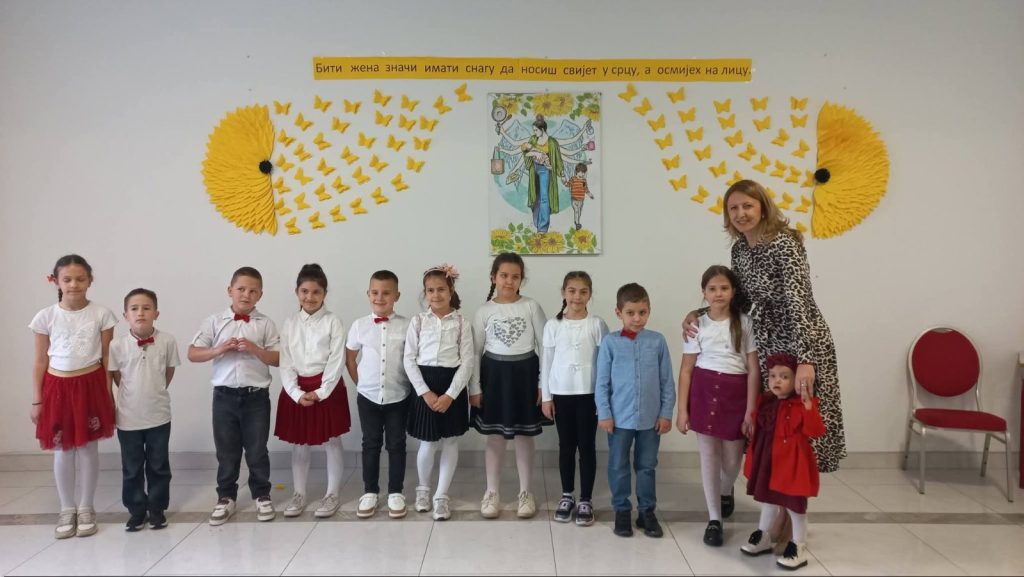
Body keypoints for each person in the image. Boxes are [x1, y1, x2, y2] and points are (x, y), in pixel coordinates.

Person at [683, 179, 844, 473]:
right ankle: (771, 491)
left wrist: (806, 359)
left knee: (797, 428)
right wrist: (700, 313)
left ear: (763, 207)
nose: (740, 213)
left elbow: (799, 300)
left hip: (799, 338)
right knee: (769, 425)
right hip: (765, 343)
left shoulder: (785, 242)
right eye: (733, 208)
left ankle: (792, 494)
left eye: (747, 205)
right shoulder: (739, 249)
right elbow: (740, 300)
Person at [30, 254, 117, 539]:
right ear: (56, 281)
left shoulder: (102, 314)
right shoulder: (45, 317)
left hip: (90, 385)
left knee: (89, 448)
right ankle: (67, 508)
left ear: (90, 281)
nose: (74, 285)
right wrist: (37, 400)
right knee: (63, 449)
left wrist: (108, 394)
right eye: (67, 279)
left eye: (80, 279)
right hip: (57, 388)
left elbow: (107, 358)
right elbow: (40, 361)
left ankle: (86, 507)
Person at [188, 266, 280, 526]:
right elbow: (193, 353)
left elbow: (278, 358)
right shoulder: (214, 321)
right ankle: (226, 496)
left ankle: (262, 494)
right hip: (224, 397)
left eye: (253, 291)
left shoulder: (265, 323)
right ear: (230, 290)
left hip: (256, 397)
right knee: (226, 450)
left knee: (257, 449)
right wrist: (218, 350)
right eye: (241, 289)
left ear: (260, 295)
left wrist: (254, 348)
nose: (246, 295)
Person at [676, 266, 759, 546]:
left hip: (735, 394)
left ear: (733, 291)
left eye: (724, 288)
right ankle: (714, 519)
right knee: (709, 456)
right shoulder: (696, 325)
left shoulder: (744, 323)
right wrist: (682, 410)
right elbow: (686, 370)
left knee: (733, 459)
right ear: (704, 292)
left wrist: (750, 411)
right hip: (704, 391)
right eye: (712, 289)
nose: (718, 294)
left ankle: (725, 490)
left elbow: (753, 370)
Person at [471, 252, 549, 519]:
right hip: (494, 377)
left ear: (521, 280)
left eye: (515, 276)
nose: (509, 281)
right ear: (493, 277)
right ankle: (492, 491)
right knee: (495, 436)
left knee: (524, 436)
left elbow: (545, 346)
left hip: (525, 376)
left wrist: (543, 384)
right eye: (504, 275)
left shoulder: (531, 306)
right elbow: (475, 351)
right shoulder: (484, 311)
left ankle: (526, 492)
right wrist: (475, 388)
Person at [595, 283, 675, 538]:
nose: (637, 318)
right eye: (631, 313)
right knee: (618, 465)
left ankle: (646, 512)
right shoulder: (610, 343)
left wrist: (666, 413)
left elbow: (667, 381)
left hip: (650, 419)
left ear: (649, 311)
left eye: (642, 312)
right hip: (619, 419)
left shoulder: (657, 342)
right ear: (618, 313)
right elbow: (602, 382)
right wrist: (604, 413)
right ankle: (621, 510)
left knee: (647, 465)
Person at [274, 264, 349, 519]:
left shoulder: (333, 321)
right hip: (297, 388)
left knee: (332, 440)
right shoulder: (289, 323)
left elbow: (337, 360)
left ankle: (332, 493)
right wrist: (296, 393)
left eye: (316, 292)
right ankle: (299, 493)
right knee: (300, 442)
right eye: (304, 291)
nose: (310, 297)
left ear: (324, 293)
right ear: (296, 292)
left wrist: (322, 391)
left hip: (327, 387)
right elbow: (285, 362)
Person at [741, 353, 826, 571]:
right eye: (772, 376)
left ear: (796, 380)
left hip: (792, 466)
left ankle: (798, 545)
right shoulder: (766, 401)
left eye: (784, 377)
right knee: (768, 500)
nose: (776, 381)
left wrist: (808, 406)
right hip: (769, 462)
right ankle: (764, 535)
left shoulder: (800, 405)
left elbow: (815, 430)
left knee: (795, 507)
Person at [404, 264, 474, 521]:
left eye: (441, 289)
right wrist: (425, 392)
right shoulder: (418, 321)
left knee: (451, 441)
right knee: (428, 442)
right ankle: (423, 489)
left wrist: (450, 395)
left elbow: (468, 362)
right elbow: (409, 359)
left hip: (452, 386)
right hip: (425, 385)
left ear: (451, 290)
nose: (436, 295)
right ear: (425, 293)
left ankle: (441, 496)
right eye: (430, 290)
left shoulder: (462, 322)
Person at [109, 288, 180, 532]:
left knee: (159, 465)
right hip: (128, 418)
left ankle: (157, 508)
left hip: (159, 415)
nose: (140, 313)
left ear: (156, 313)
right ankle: (137, 510)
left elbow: (168, 372)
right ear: (125, 315)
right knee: (132, 468)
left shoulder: (167, 341)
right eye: (134, 309)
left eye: (147, 308)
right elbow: (117, 377)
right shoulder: (117, 345)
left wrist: (154, 391)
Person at [540, 271, 608, 526]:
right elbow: (546, 362)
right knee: (566, 446)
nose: (577, 296)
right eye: (572, 291)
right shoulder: (553, 325)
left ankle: (586, 499)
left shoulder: (597, 324)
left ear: (590, 294)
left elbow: (605, 363)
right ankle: (567, 494)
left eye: (583, 291)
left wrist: (602, 398)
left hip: (589, 394)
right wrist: (546, 397)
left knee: (587, 446)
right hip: (562, 394)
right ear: (563, 293)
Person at [346, 270, 412, 519]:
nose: (380, 298)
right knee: (370, 443)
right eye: (375, 292)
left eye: (386, 293)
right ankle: (370, 491)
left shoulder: (408, 325)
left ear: (397, 295)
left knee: (397, 443)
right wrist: (360, 384)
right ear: (368, 294)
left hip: (398, 395)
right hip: (368, 397)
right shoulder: (359, 325)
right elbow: (350, 358)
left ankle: (396, 491)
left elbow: (413, 359)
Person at [561, 163, 594, 231]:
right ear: (577, 171)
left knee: (579, 211)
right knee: (576, 211)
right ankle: (577, 224)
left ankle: (576, 221)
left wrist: (590, 194)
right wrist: (563, 177)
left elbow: (586, 189)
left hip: (581, 200)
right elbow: (567, 184)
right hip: (574, 199)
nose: (582, 174)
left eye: (584, 173)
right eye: (581, 172)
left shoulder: (584, 181)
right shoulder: (573, 179)